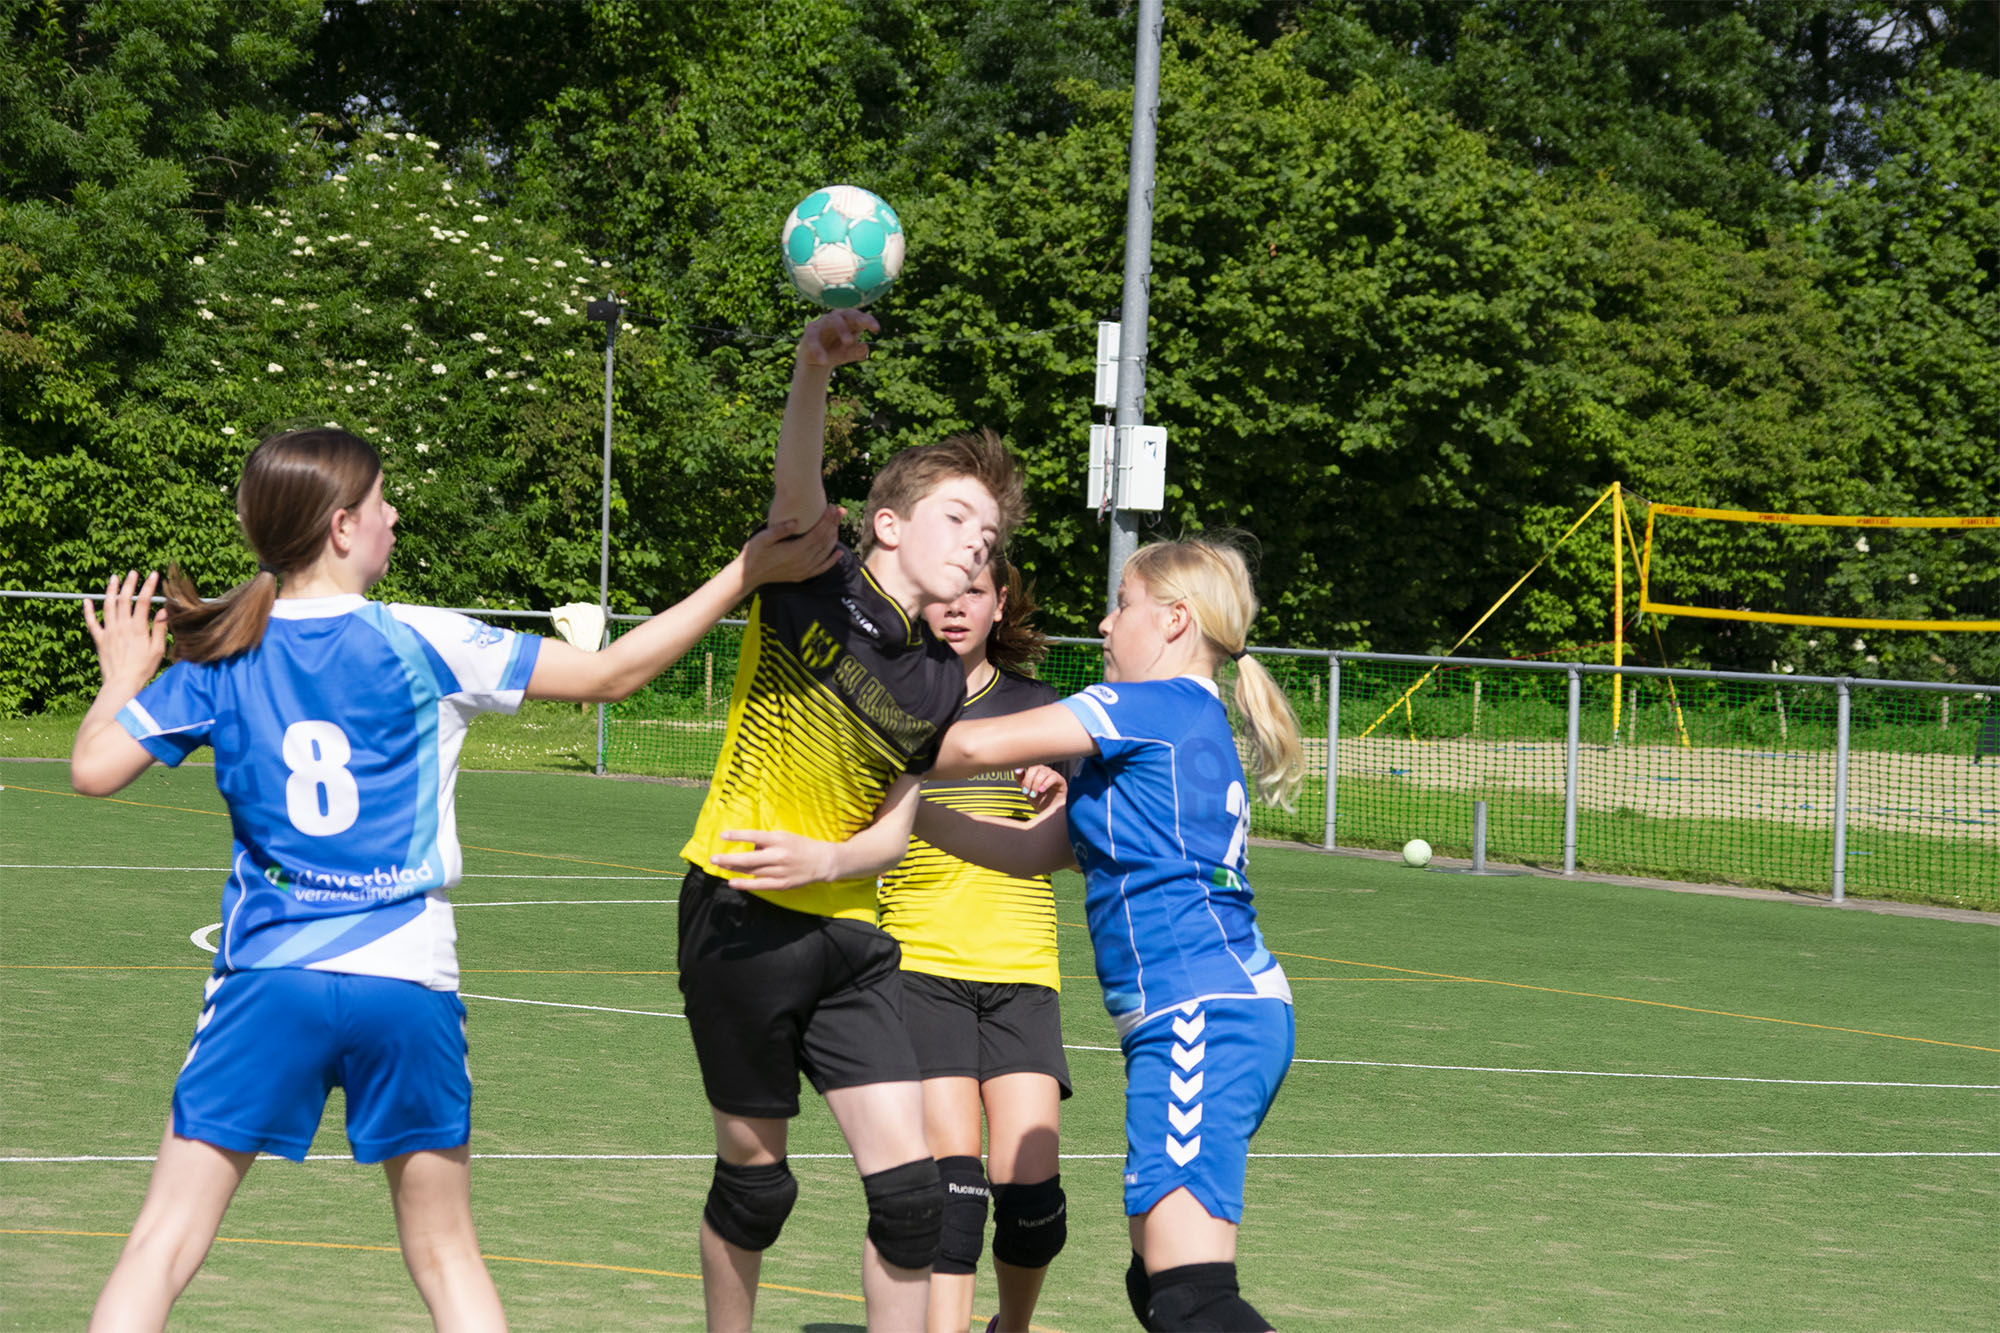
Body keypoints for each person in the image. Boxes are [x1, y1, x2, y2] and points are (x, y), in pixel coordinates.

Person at [68, 426, 841, 1333]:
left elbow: (92, 768)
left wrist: (122, 677)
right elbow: (611, 674)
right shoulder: (426, 640)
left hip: (269, 980)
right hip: (407, 979)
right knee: (445, 1254)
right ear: (343, 526)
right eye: (384, 500)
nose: (397, 515)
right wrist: (741, 574)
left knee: (161, 1243)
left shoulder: (220, 656)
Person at [672, 308, 1025, 1332]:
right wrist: (810, 371)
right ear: (888, 525)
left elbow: (891, 829)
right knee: (757, 1186)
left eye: (989, 536)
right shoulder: (813, 579)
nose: (976, 542)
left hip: (850, 939)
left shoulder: (936, 680)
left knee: (913, 1202)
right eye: (958, 518)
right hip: (739, 915)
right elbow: (794, 488)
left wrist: (831, 853)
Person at [915, 536, 1305, 1332]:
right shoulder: (1173, 725)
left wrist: (849, 732)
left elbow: (975, 744)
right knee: (1156, 1281)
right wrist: (909, 812)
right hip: (1210, 1013)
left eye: (1121, 604)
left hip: (1203, 1013)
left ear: (1173, 619)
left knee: (1192, 1295)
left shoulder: (1146, 707)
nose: (1103, 622)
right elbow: (1031, 850)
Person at [874, 552, 1073, 1333]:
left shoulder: (1040, 710)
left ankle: (1010, 1327)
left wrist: (1061, 789)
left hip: (1024, 969)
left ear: (1000, 608)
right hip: (920, 962)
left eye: (976, 594)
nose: (958, 607)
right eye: (945, 594)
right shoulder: (886, 701)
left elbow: (1074, 837)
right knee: (955, 1187)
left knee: (1033, 1200)